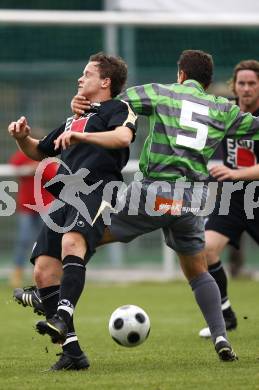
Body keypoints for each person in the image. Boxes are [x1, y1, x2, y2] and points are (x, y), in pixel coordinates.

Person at [16, 49, 256, 366]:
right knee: (197, 269)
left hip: (155, 192)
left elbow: (120, 103)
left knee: (83, 235)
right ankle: (221, 336)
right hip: (191, 200)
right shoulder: (223, 108)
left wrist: (85, 104)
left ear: (180, 74)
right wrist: (79, 107)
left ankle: (52, 298)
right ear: (209, 83)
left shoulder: (161, 92)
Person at [9, 52, 137, 371]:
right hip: (66, 195)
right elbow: (39, 151)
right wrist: (22, 138)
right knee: (43, 271)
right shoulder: (73, 118)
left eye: (87, 74)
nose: (80, 79)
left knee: (71, 243)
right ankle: (73, 354)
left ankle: (62, 315)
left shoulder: (116, 109)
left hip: (98, 189)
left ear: (105, 82)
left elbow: (123, 137)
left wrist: (82, 135)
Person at [198, 59, 259, 338]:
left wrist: (236, 173)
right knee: (205, 249)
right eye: (241, 83)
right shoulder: (225, 111)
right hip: (233, 198)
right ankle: (226, 314)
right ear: (234, 86)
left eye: (252, 83)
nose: (246, 89)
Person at [9, 148, 57, 287]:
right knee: (23, 241)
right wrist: (34, 168)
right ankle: (17, 274)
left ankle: (42, 273)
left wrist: (35, 168)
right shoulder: (23, 154)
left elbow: (51, 174)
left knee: (46, 240)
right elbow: (15, 166)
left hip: (45, 206)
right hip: (26, 207)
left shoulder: (47, 158)